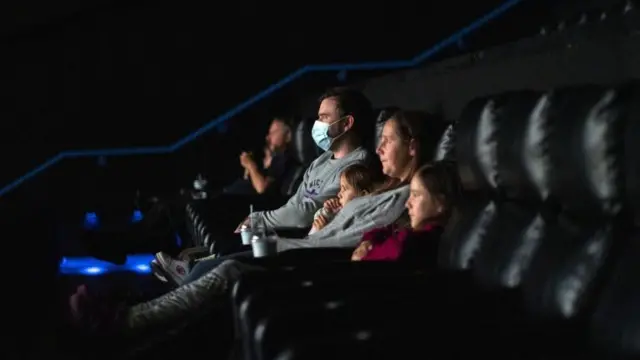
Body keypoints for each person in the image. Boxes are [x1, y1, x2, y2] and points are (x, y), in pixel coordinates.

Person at [69, 161, 463, 335]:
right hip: (318, 263)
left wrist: (357, 252)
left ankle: (128, 319)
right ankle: (131, 307)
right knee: (217, 267)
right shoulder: (405, 225)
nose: (409, 202)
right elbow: (375, 239)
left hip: (327, 281)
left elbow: (385, 259)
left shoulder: (420, 239)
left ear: (442, 204)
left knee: (225, 270)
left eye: (417, 196)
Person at [152, 87, 376, 280]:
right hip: (286, 228)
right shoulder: (322, 159)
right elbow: (295, 201)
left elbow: (303, 215)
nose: (317, 125)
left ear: (347, 123)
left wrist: (261, 219)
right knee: (217, 248)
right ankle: (189, 270)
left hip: (302, 241)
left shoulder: (357, 166)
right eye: (318, 117)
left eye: (325, 117)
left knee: (214, 264)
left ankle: (187, 276)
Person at [221, 116, 297, 195]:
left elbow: (261, 188)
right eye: (269, 133)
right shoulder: (266, 155)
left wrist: (250, 165)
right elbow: (247, 179)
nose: (268, 137)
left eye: (273, 132)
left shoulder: (282, 159)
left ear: (288, 135)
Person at [309, 164, 375, 235]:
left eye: (344, 189)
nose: (339, 194)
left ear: (363, 195)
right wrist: (327, 211)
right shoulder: (339, 209)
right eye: (341, 188)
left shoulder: (359, 220)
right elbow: (317, 218)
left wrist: (324, 232)